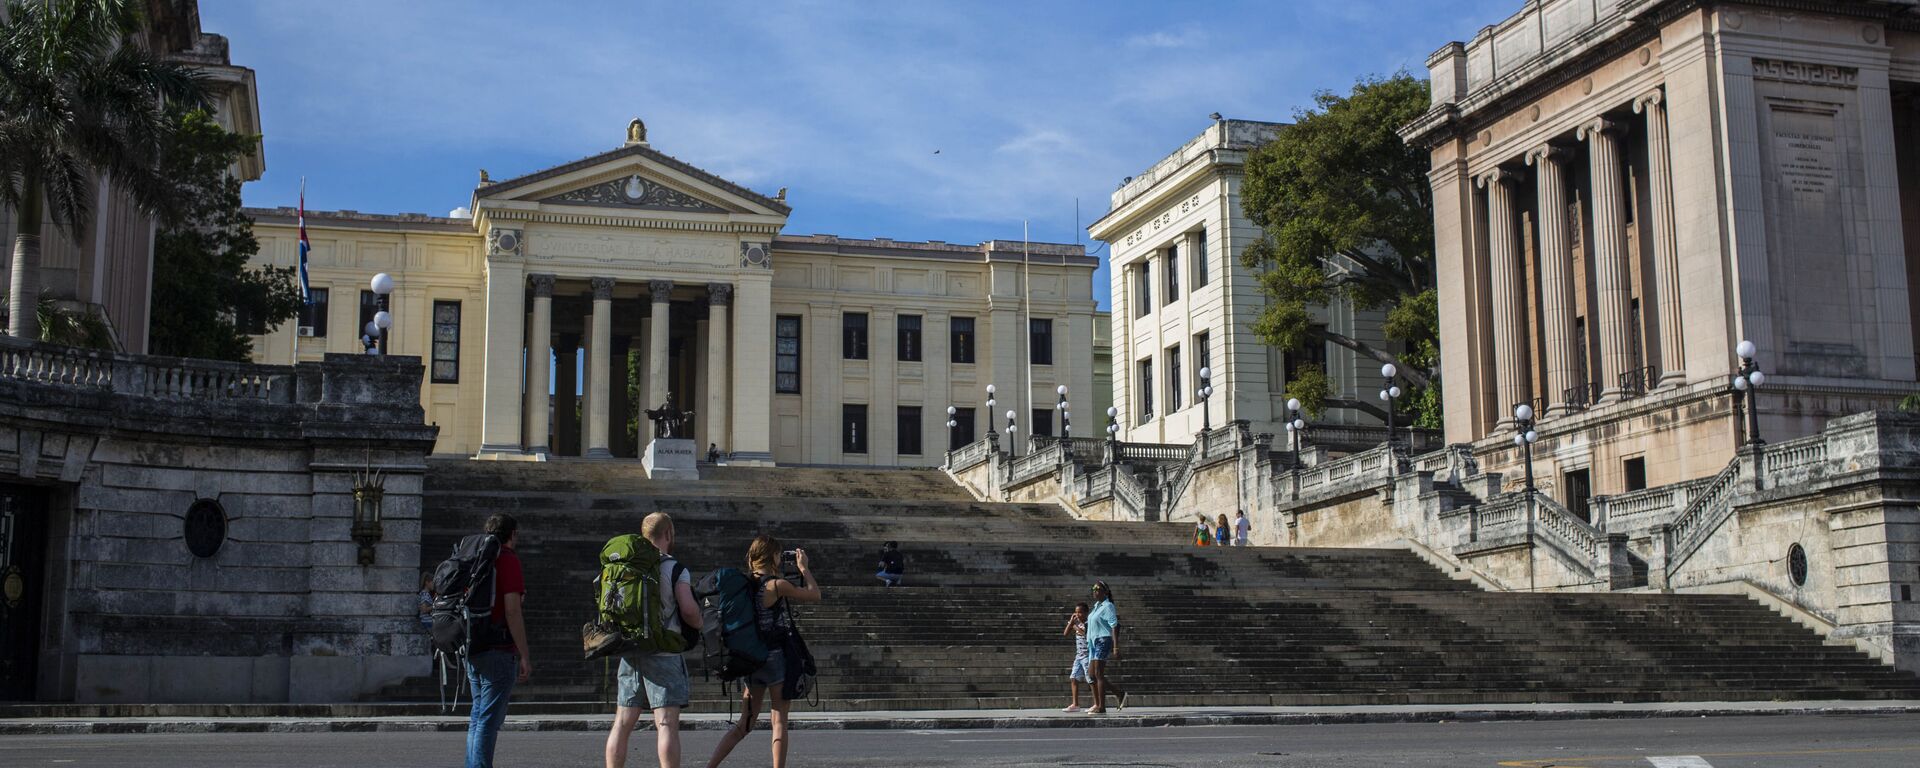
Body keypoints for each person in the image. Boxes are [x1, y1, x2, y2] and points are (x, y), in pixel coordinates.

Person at [705, 535, 823, 768]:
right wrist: (804, 568)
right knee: (779, 720)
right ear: (773, 556)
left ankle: (710, 766)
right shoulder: (776, 585)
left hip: (751, 659)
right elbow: (814, 593)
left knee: (744, 723)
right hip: (775, 659)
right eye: (779, 554)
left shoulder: (746, 583)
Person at [606, 512, 703, 768]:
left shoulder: (629, 565)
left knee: (622, 723)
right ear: (668, 534)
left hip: (631, 650)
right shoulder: (673, 568)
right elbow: (689, 610)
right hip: (663, 653)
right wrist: (701, 623)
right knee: (666, 724)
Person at [467, 513, 530, 768]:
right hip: (499, 648)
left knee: (477, 716)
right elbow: (512, 611)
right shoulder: (507, 560)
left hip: (474, 644)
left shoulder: (476, 558)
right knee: (489, 721)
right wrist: (524, 654)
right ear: (512, 534)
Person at [1084, 581, 1127, 714]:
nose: (1095, 591)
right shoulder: (1096, 606)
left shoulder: (1108, 606)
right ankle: (1119, 693)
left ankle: (1101, 707)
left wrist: (1115, 647)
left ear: (1105, 592)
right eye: (1093, 589)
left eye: (1098, 589)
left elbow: (1114, 625)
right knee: (1091, 674)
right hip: (1093, 642)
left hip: (1103, 640)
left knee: (1098, 674)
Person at [1061, 602, 1092, 712]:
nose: (1078, 614)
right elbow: (1065, 633)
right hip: (1079, 656)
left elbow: (1085, 634)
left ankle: (1096, 703)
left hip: (1088, 655)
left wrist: (1075, 626)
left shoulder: (1089, 622)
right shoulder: (1076, 622)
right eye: (1076, 612)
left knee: (1091, 680)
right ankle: (1075, 704)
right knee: (1073, 678)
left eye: (1080, 612)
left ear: (1086, 613)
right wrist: (1071, 622)